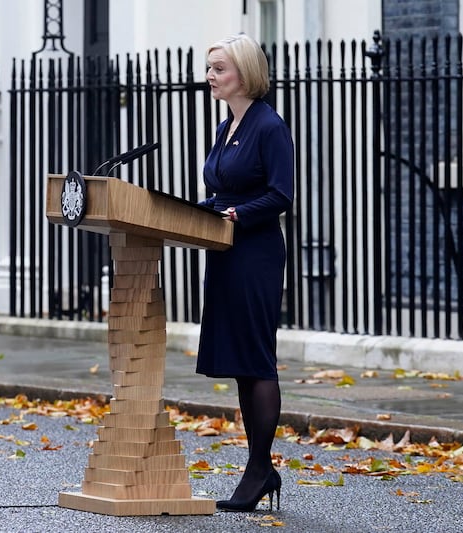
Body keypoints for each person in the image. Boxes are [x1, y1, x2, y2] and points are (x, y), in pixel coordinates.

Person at [196, 33, 294, 513]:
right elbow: (220, 190)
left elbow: (280, 195)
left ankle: (259, 469)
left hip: (254, 253)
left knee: (256, 359)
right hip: (224, 252)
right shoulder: (225, 128)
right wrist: (197, 213)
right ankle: (259, 467)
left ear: (245, 73)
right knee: (238, 360)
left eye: (219, 68)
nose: (210, 76)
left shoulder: (269, 126)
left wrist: (236, 214)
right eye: (210, 68)